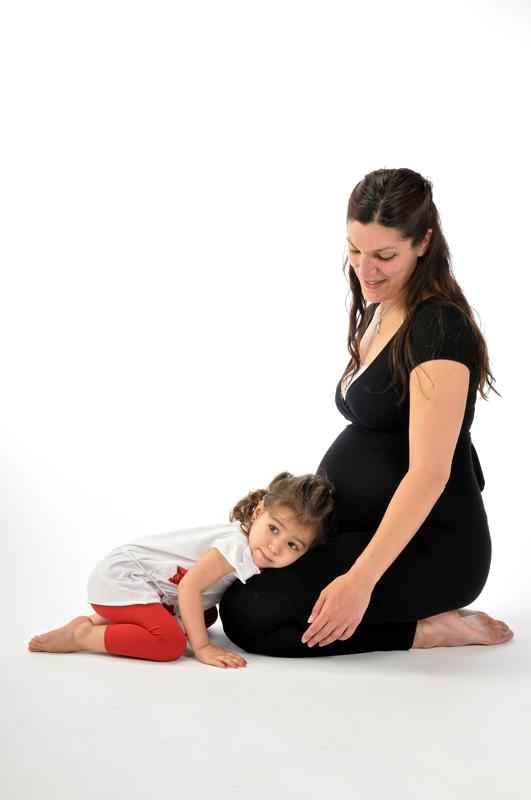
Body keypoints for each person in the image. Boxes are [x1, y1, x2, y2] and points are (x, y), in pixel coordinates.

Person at [219, 167, 514, 657]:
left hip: (433, 546)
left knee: (247, 617)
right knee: (235, 581)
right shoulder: (383, 305)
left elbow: (429, 475)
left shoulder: (438, 329)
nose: (365, 269)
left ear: (423, 242)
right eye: (355, 250)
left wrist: (359, 581)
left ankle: (429, 632)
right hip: (365, 531)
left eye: (384, 255)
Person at [28, 471, 335, 667]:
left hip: (147, 584)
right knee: (170, 643)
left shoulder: (254, 549)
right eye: (273, 529)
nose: (275, 547)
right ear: (257, 513)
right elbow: (189, 587)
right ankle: (82, 636)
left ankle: (96, 622)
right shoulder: (236, 548)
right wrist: (202, 648)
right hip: (124, 577)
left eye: (293, 545)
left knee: (204, 615)